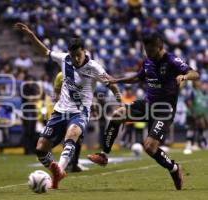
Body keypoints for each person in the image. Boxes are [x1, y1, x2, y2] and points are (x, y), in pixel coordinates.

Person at [14, 22, 121, 189]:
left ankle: (60, 171)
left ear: (84, 51)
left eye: (78, 55)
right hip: (60, 111)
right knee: (41, 148)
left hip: (80, 112)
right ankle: (56, 170)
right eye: (73, 56)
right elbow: (44, 50)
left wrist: (119, 98)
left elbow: (111, 83)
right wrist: (30, 34)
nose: (76, 59)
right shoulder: (64, 59)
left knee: (71, 135)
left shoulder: (94, 67)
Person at [87, 32, 199, 190]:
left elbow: (195, 73)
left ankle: (174, 169)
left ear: (160, 48)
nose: (149, 54)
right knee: (117, 115)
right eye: (146, 51)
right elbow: (138, 77)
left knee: (149, 147)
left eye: (152, 51)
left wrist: (184, 77)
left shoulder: (172, 60)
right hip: (147, 105)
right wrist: (117, 80)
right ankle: (103, 155)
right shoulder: (148, 61)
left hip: (164, 111)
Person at [54, 72, 88, 173]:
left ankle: (74, 163)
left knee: (79, 138)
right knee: (69, 137)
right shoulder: (60, 75)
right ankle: (68, 163)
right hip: (64, 111)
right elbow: (56, 92)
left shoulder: (83, 74)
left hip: (78, 111)